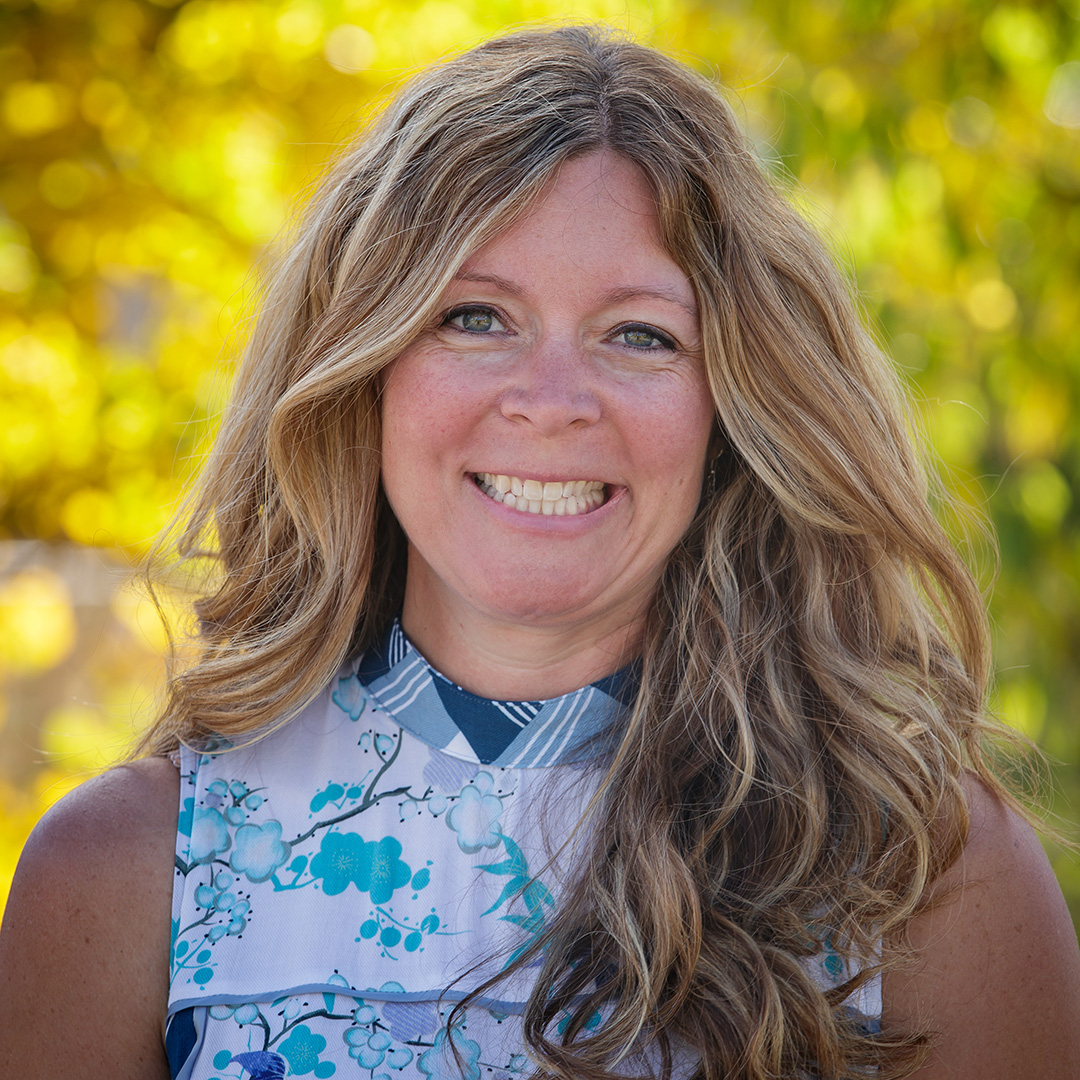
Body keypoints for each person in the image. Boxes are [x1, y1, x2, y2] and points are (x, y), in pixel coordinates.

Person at [1, 25, 1078, 1080]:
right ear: (361, 368)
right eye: (474, 318)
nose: (553, 403)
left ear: (735, 409)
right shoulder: (124, 880)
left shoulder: (926, 877)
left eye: (640, 335)